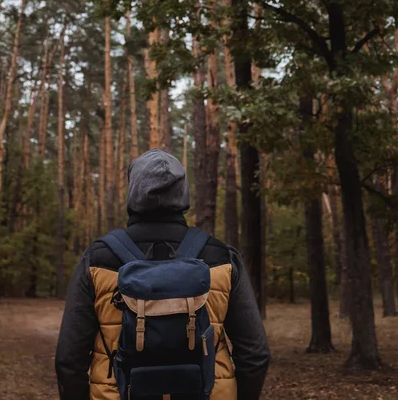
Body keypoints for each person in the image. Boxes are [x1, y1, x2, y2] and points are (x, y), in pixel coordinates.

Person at [55, 149, 270, 400]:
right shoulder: (222, 257)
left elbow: (69, 360)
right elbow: (255, 354)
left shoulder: (97, 259)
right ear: (182, 193)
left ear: (133, 191)